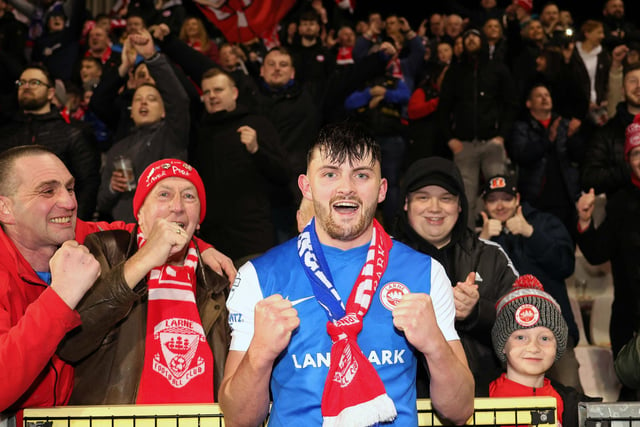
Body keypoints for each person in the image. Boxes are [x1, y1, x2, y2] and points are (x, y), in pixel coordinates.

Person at [219, 123, 474, 426]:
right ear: (306, 187)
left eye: (361, 175)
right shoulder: (259, 277)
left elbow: (458, 411)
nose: (346, 188)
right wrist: (259, 354)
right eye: (330, 174)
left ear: (381, 190)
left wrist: (435, 345)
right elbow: (238, 418)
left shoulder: (425, 273)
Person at [58, 159, 229, 404]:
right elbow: (71, 344)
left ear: (199, 219)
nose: (177, 206)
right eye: (163, 194)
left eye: (189, 196)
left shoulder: (218, 281)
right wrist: (145, 259)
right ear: (139, 213)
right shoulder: (108, 251)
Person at [392, 157, 518, 395]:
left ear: (460, 206)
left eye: (446, 198)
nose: (435, 208)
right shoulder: (382, 258)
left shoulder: (490, 255)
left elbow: (527, 321)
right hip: (402, 402)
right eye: (423, 197)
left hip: (481, 398)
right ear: (406, 203)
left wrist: (478, 312)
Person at [0, 146, 101, 416]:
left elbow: (141, 232)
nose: (69, 203)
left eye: (70, 188)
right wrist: (61, 296)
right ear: (5, 208)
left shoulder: (78, 234)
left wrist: (201, 247)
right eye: (48, 191)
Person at [479, 174, 581, 390]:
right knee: (513, 406)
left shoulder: (544, 222)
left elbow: (566, 265)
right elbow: (477, 286)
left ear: (517, 198)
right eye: (492, 199)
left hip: (552, 329)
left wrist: (531, 233)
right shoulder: (480, 236)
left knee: (570, 395)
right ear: (484, 204)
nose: (499, 205)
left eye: (506, 198)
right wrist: (484, 243)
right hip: (506, 336)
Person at [193, 68, 290, 262]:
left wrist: (256, 149)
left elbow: (283, 174)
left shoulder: (256, 124)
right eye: (207, 92)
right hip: (212, 243)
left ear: (234, 93)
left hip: (252, 237)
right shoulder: (199, 133)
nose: (212, 96)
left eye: (218, 90)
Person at [97, 29, 189, 223]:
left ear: (164, 110)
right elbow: (102, 203)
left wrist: (151, 57)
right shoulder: (118, 148)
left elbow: (178, 100)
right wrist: (113, 187)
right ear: (131, 111)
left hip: (164, 229)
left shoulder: (172, 135)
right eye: (138, 99)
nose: (143, 103)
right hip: (126, 236)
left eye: (151, 99)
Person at [490, 275, 596, 427]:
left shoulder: (574, 408)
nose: (533, 347)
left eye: (544, 339)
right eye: (520, 337)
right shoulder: (474, 398)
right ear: (502, 344)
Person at [437, 28, 518, 227]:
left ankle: (504, 237)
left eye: (475, 36)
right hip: (463, 145)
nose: (471, 40)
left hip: (492, 143)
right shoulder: (455, 71)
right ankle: (466, 244)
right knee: (464, 197)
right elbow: (443, 108)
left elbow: (511, 104)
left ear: (482, 41)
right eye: (467, 37)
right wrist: (450, 139)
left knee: (500, 193)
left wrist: (502, 136)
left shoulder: (497, 68)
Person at [576, 115, 640, 359]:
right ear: (628, 160)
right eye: (636, 153)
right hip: (630, 324)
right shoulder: (620, 203)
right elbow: (596, 252)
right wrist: (584, 220)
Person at [0, 64, 100, 220]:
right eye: (22, 83)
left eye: (34, 82)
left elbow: (88, 184)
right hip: (12, 222)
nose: (26, 87)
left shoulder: (72, 131)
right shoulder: (6, 132)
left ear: (51, 93)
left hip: (60, 220)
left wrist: (75, 225)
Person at [508, 84, 582, 235]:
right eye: (539, 96)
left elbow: (579, 156)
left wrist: (574, 136)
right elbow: (521, 155)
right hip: (536, 198)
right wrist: (547, 140)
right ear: (529, 104)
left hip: (565, 198)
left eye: (547, 95)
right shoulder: (521, 128)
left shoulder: (564, 125)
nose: (544, 98)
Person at [581, 62, 640, 196]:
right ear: (623, 90)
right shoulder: (607, 132)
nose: (639, 86)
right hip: (624, 212)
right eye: (633, 81)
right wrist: (631, 168)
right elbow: (589, 179)